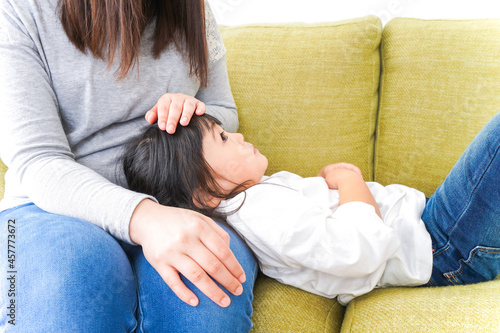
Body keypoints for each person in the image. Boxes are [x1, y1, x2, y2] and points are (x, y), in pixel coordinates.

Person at [0, 0, 257, 331]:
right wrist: (144, 217)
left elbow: (222, 109)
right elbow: (38, 161)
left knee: (209, 300)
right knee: (68, 288)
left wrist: (194, 111)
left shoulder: (192, 9)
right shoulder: (18, 10)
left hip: (177, 197)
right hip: (51, 209)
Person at [123, 113, 500, 306]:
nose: (237, 135)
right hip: (442, 248)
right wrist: (350, 179)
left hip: (434, 231)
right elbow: (360, 249)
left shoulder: (256, 196)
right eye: (222, 138)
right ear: (204, 195)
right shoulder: (263, 215)